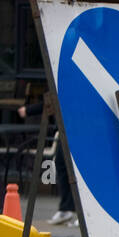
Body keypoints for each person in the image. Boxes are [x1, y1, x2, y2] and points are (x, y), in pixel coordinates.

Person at [17, 91, 77, 228]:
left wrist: (28, 110)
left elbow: (53, 100)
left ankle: (80, 212)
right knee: (63, 165)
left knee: (75, 169)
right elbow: (53, 100)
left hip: (74, 126)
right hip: (66, 127)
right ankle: (67, 209)